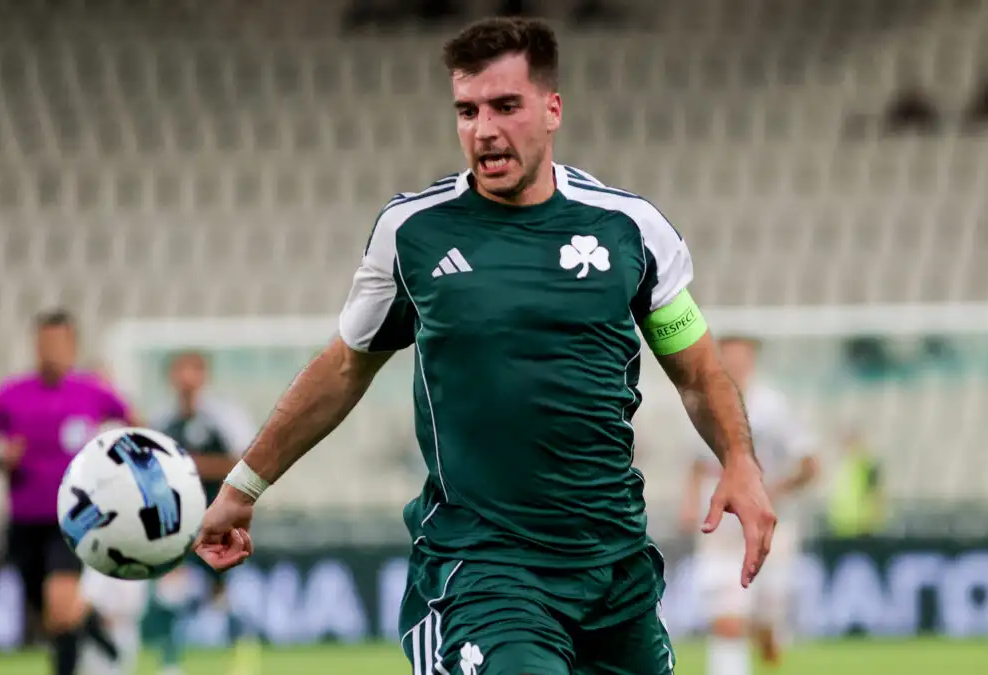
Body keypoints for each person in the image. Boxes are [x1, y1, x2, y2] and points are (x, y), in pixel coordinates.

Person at [194, 17, 776, 675]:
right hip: (486, 569)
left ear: (552, 110)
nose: (484, 129)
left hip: (615, 569)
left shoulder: (630, 230)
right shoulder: (413, 233)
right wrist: (244, 485)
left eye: (505, 106)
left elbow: (697, 370)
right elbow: (346, 366)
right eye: (467, 111)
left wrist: (739, 460)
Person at [0, 310, 141, 675]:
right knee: (50, 616)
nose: (51, 351)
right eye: (45, 343)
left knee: (60, 606)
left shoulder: (94, 393)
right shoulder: (11, 395)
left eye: (58, 343)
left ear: (73, 346)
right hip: (24, 523)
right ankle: (91, 622)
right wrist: (0, 458)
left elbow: (141, 435)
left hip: (74, 518)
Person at [679, 336, 819, 675]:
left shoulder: (774, 407)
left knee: (767, 623)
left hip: (767, 526)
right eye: (728, 356)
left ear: (752, 360)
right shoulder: (704, 405)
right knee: (727, 619)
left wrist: (770, 489)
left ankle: (768, 632)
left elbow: (809, 464)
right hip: (720, 529)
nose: (735, 364)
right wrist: (690, 502)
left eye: (741, 357)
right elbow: (698, 463)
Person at [147, 350, 259, 675]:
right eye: (180, 370)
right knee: (170, 589)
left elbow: (246, 464)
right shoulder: (161, 421)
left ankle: (241, 652)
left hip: (219, 517)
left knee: (221, 593)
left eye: (193, 370)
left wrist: (190, 466)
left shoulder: (225, 417)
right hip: (177, 520)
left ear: (204, 375)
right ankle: (170, 662)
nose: (186, 378)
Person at [78, 567, 148, 675]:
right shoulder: (95, 569)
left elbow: (137, 605)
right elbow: (87, 598)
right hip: (98, 632)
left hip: (124, 631)